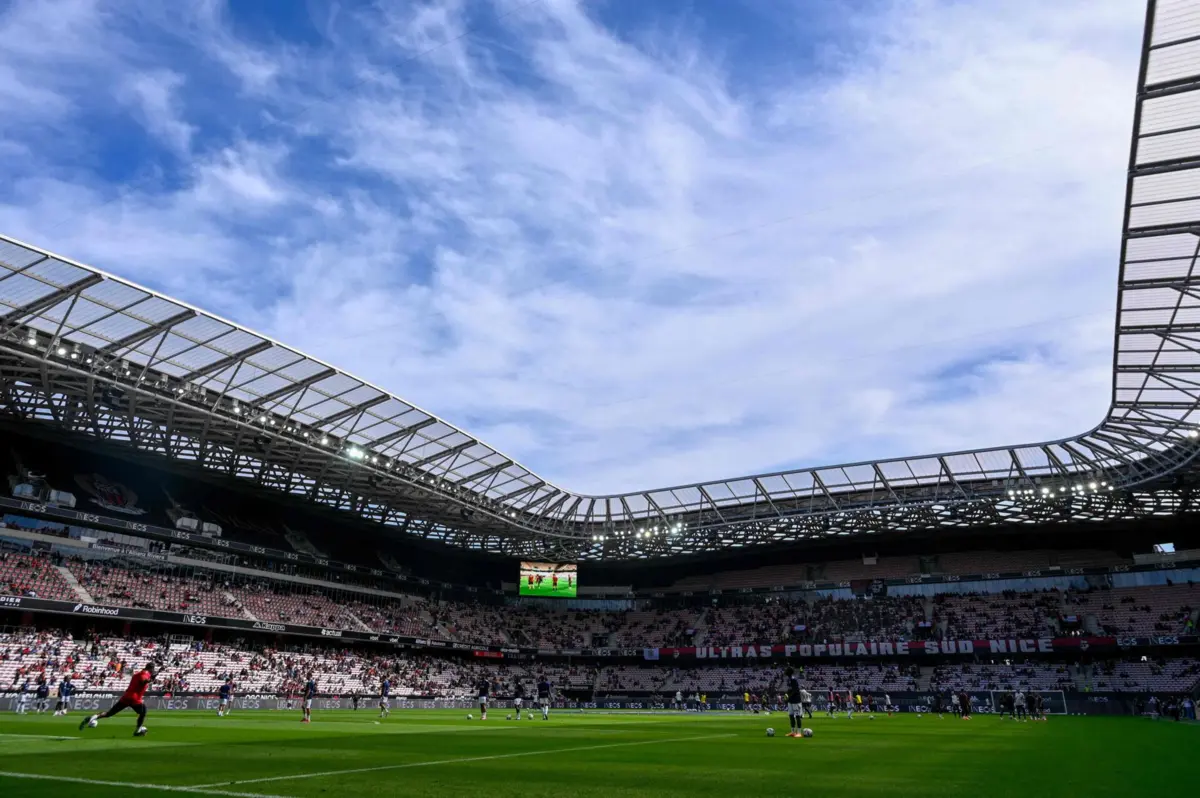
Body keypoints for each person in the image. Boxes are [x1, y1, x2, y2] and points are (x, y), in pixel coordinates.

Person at [80, 662, 155, 737]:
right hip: (134, 698)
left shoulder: (140, 674)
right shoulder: (144, 673)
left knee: (109, 713)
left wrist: (149, 679)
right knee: (143, 712)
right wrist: (148, 681)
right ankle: (137, 731)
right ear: (150, 668)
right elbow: (143, 681)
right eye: (152, 669)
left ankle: (91, 718)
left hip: (126, 697)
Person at [784, 668, 804, 738]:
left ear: (789, 672)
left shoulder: (793, 679)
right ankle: (792, 732)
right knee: (791, 716)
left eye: (786, 670)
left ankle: (799, 733)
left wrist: (788, 697)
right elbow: (790, 690)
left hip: (796, 700)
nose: (785, 671)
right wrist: (787, 695)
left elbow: (795, 690)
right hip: (791, 701)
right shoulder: (789, 680)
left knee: (797, 716)